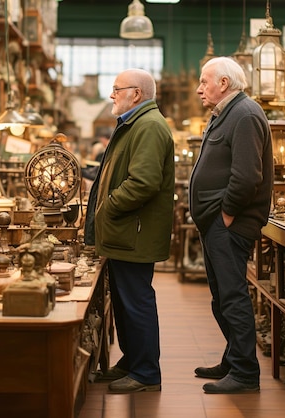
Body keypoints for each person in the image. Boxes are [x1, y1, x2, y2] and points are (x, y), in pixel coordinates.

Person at [84, 68, 175, 393]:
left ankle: (147, 372)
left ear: (135, 94)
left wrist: (107, 206)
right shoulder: (135, 124)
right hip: (125, 233)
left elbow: (144, 182)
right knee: (124, 302)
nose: (112, 95)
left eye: (116, 89)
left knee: (136, 301)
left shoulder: (148, 127)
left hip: (133, 232)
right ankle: (132, 360)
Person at [189, 57, 273, 394]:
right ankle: (232, 358)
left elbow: (247, 176)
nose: (199, 89)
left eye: (204, 81)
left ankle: (245, 373)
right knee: (221, 297)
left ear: (223, 83)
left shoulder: (245, 114)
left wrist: (226, 214)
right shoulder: (227, 114)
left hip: (231, 223)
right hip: (217, 223)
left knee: (233, 296)